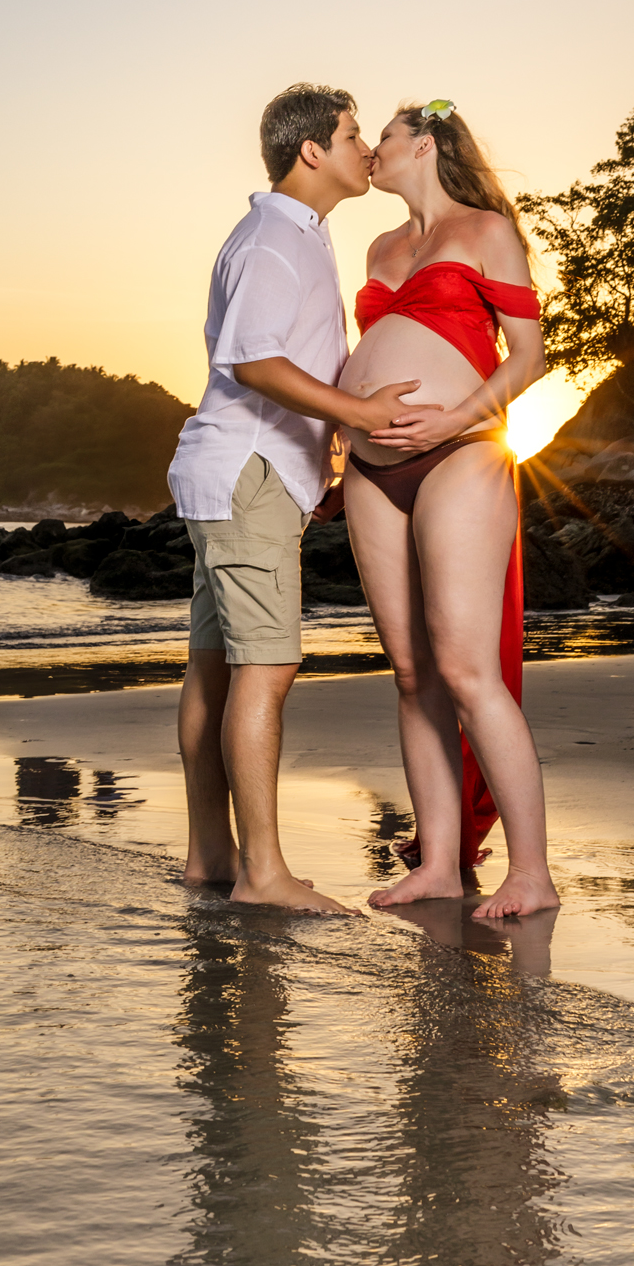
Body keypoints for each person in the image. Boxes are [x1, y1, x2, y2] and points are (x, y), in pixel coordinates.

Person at [170, 83, 422, 914]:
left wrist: (325, 460)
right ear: (311, 150)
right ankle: (264, 874)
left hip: (242, 471)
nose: (365, 149)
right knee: (267, 668)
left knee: (216, 672)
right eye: (353, 135)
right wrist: (358, 415)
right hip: (248, 472)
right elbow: (254, 360)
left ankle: (213, 853)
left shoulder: (293, 235)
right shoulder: (278, 239)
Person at [339, 100, 559, 921]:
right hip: (369, 469)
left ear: (423, 144)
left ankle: (531, 872)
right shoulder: (379, 247)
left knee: (468, 670)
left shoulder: (485, 231)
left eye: (381, 141)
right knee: (411, 674)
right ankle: (438, 861)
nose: (370, 155)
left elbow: (530, 357)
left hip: (462, 455)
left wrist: (454, 416)